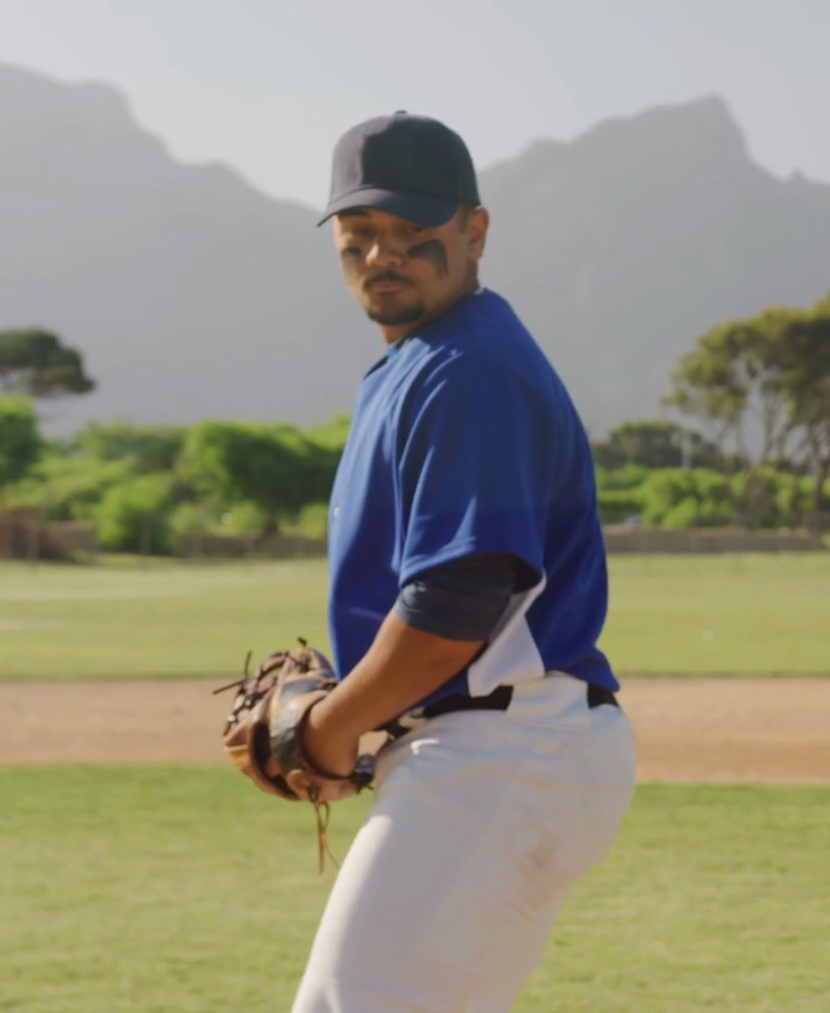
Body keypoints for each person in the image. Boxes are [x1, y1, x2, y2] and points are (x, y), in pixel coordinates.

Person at [289, 112, 635, 1011]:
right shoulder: (427, 359)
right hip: (498, 746)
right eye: (359, 236)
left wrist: (329, 726)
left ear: (474, 233)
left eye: (411, 235)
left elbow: (459, 599)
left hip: (503, 745)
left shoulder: (466, 368)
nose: (381, 256)